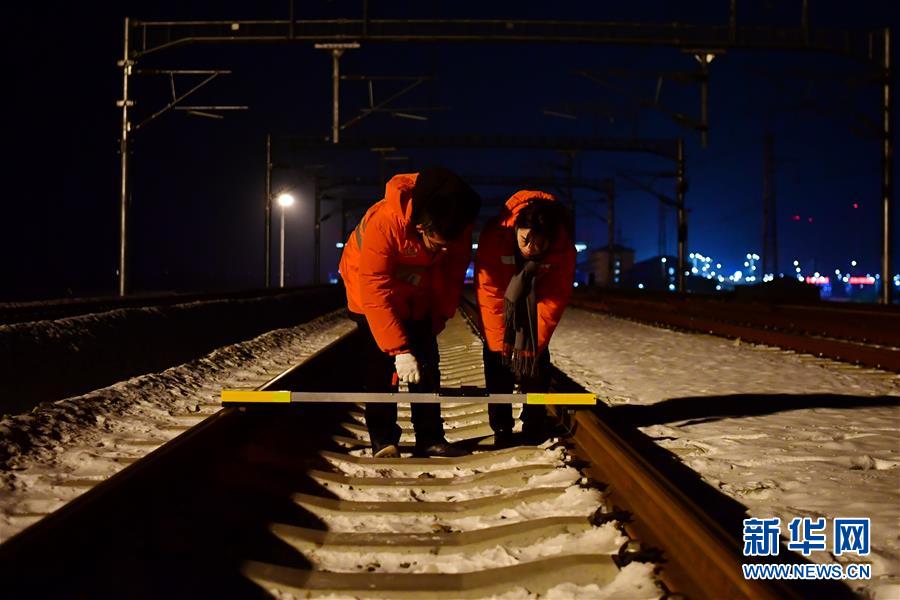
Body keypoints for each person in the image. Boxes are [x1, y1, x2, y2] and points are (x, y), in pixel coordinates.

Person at [339, 167, 481, 458]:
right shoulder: (385, 224)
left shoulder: (456, 225)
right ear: (421, 227)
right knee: (380, 366)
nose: (444, 251)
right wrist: (398, 350)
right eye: (437, 245)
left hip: (417, 292)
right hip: (367, 290)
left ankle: (430, 437)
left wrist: (437, 318)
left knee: (428, 362)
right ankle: (383, 438)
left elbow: (453, 276)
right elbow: (375, 289)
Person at [474, 190, 576, 447]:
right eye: (525, 240)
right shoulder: (494, 237)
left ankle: (534, 420)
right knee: (495, 360)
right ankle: (501, 427)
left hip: (534, 309)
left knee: (539, 364)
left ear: (551, 239)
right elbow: (490, 293)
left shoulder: (562, 247)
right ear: (516, 228)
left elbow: (554, 299)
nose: (531, 248)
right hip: (503, 303)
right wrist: (500, 346)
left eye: (540, 243)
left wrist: (534, 347)